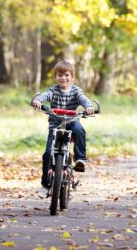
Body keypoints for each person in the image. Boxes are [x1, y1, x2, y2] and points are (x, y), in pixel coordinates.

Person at [31, 60, 95, 198]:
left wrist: (88, 107)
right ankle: (45, 185)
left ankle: (80, 159)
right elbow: (44, 96)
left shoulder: (76, 90)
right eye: (60, 75)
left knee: (79, 130)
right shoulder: (53, 90)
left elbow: (83, 99)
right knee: (48, 154)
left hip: (72, 122)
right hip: (55, 124)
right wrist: (38, 101)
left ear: (72, 77)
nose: (63, 78)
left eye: (66, 75)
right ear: (55, 77)